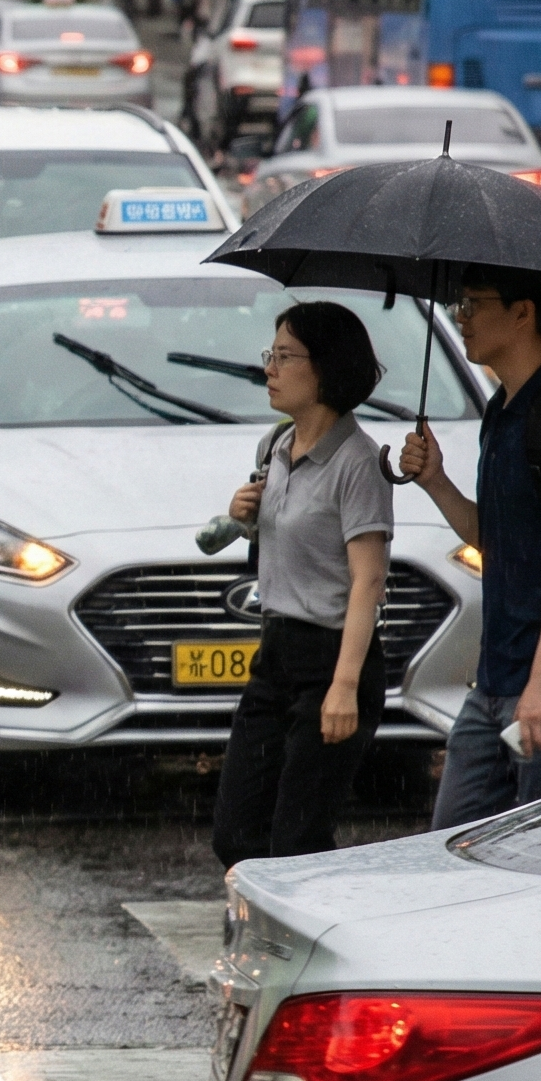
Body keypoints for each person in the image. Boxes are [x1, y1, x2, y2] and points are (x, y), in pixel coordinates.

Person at [401, 265, 541, 826]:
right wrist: (437, 483)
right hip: (494, 680)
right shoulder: (501, 411)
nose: (461, 318)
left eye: (473, 304)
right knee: (455, 845)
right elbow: (490, 536)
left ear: (523, 313)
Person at [212, 302, 393, 865]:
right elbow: (282, 552)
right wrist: (245, 516)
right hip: (276, 656)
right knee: (237, 835)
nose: (270, 367)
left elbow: (368, 581)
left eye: (285, 356)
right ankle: (271, 945)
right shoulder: (273, 447)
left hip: (335, 662)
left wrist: (343, 686)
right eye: (272, 354)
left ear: (326, 370)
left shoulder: (359, 463)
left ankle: (320, 947)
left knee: (298, 843)